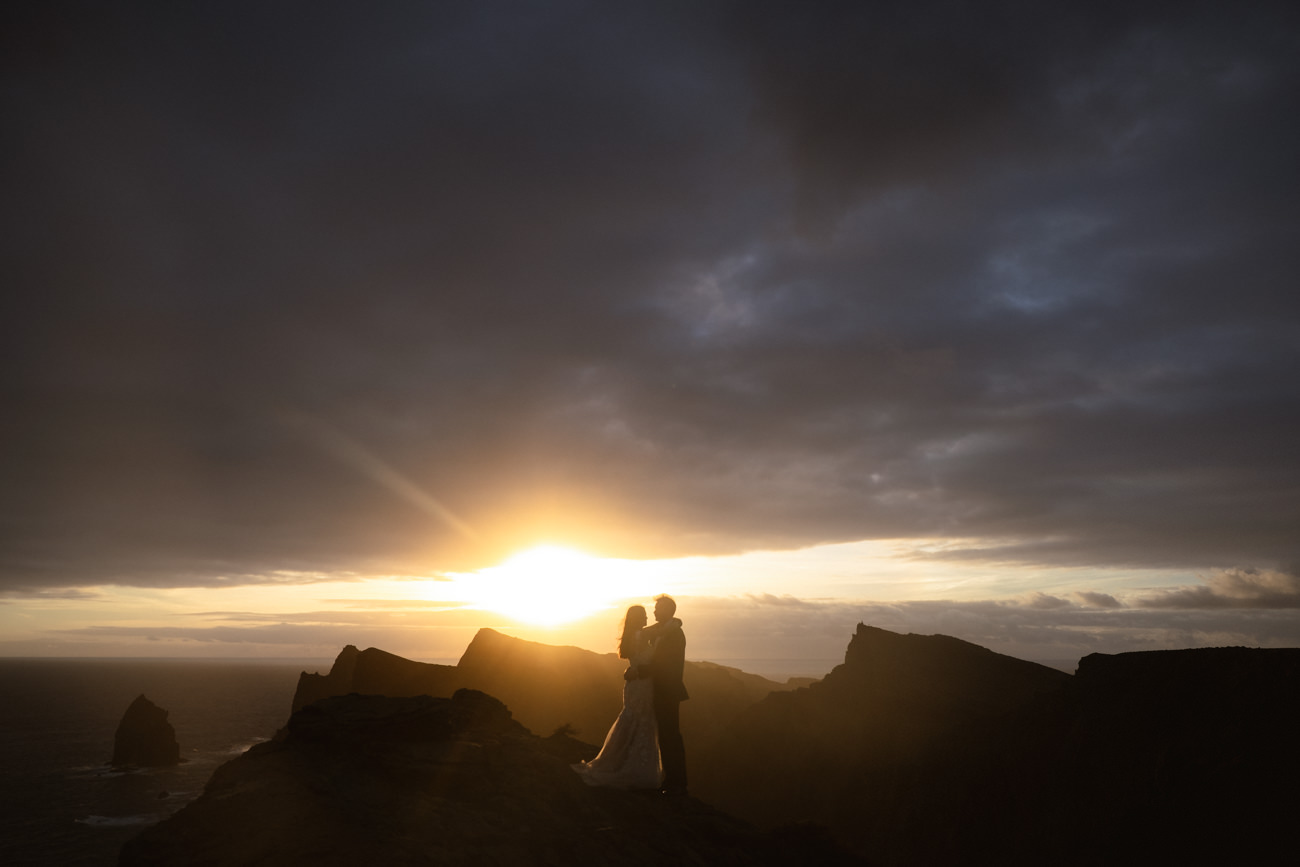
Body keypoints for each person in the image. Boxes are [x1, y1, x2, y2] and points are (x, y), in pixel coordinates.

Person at [571, 605, 662, 789]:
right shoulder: (640, 635)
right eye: (643, 616)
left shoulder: (633, 635)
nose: (646, 619)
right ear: (637, 618)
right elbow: (652, 657)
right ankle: (634, 767)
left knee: (632, 720)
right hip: (642, 684)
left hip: (634, 685)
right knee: (641, 720)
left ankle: (621, 761)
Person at [642, 594, 688, 796]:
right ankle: (672, 780)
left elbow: (664, 663)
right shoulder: (664, 630)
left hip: (668, 691)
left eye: (657, 608)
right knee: (666, 735)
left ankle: (676, 783)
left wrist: (639, 672)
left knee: (670, 736)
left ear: (668, 610)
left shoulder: (675, 634)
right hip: (661, 690)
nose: (653, 611)